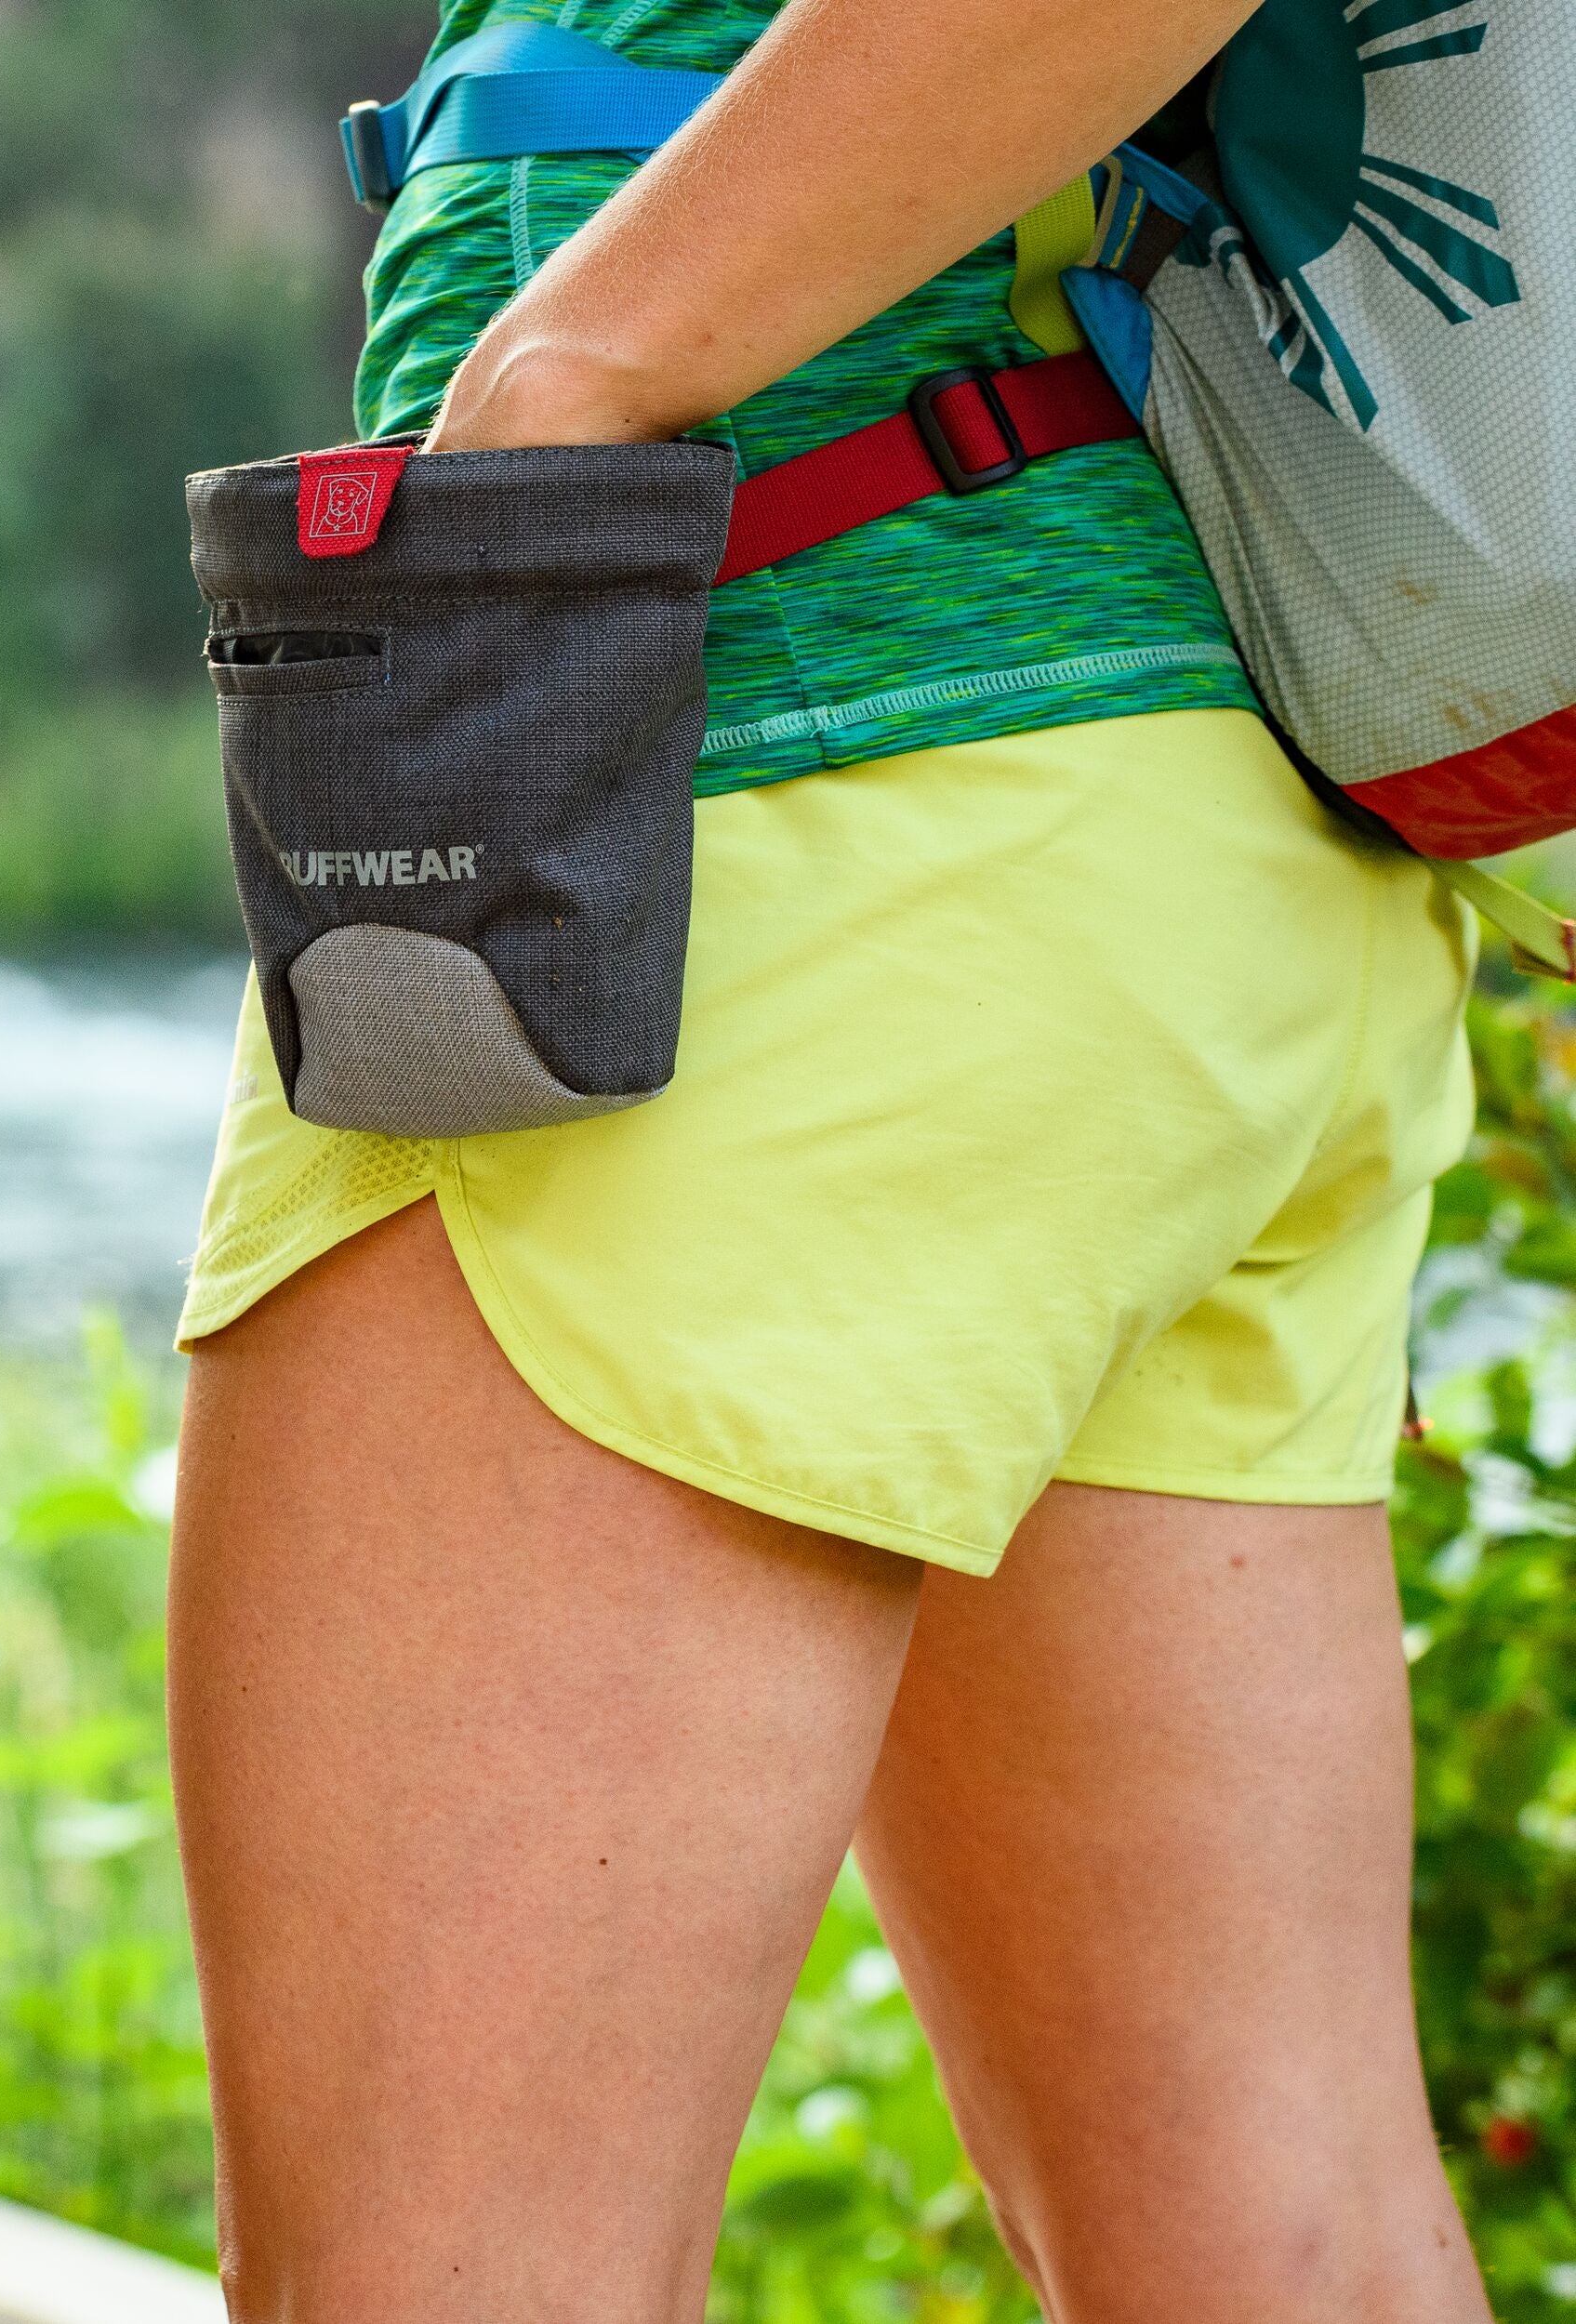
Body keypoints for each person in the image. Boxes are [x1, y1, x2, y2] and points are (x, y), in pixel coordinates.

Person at [164, 0, 1498, 2317]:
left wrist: (562, 379)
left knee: (445, 2274)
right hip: (1184, 851)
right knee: (1276, 2252)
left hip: (756, 774)